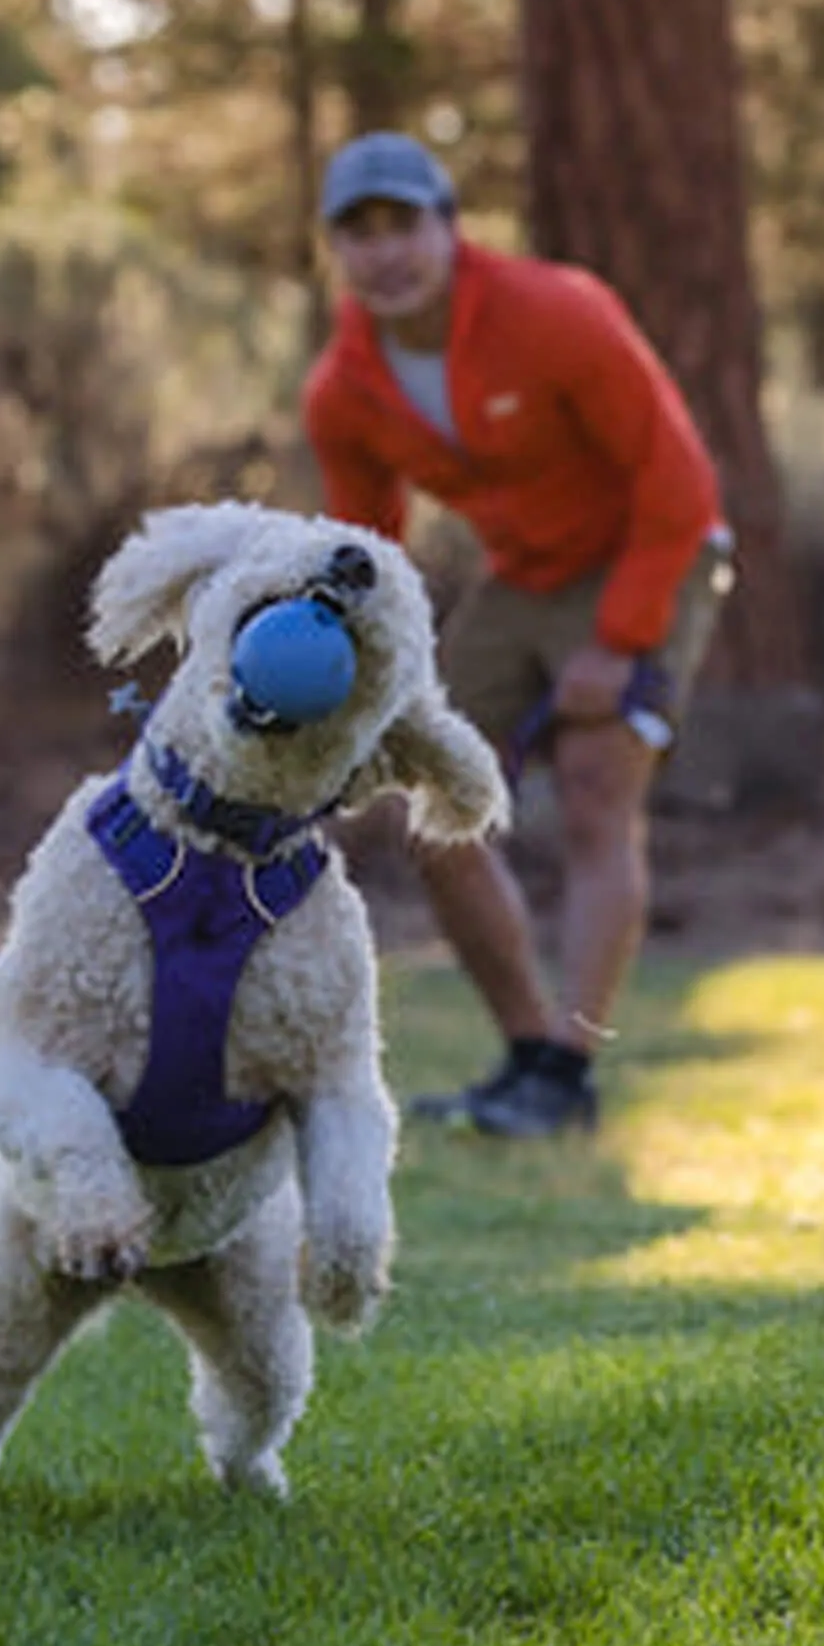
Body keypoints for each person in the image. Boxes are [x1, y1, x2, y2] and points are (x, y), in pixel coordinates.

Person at [302, 131, 734, 1138]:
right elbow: (368, 557)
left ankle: (574, 1071)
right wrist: (347, 687)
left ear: (448, 227)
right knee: (431, 803)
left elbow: (677, 484)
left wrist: (620, 639)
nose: (385, 253)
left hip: (650, 550)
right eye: (357, 234)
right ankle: (529, 1055)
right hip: (523, 574)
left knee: (592, 798)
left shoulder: (556, 313)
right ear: (335, 251)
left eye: (403, 223)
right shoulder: (342, 390)